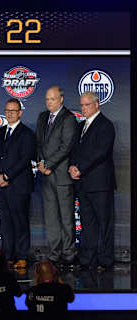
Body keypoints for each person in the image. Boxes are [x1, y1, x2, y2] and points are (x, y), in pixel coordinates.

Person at [69, 91, 116, 271]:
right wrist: (72, 166)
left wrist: (81, 168)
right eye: (81, 105)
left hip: (100, 184)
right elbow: (75, 151)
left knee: (104, 223)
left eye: (87, 105)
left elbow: (100, 152)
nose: (83, 108)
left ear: (97, 105)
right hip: (83, 184)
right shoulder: (81, 127)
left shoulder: (106, 125)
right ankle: (88, 258)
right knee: (88, 223)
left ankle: (105, 260)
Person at [0, 98, 35, 269]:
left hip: (19, 186)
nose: (9, 114)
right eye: (7, 110)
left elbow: (24, 159)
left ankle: (22, 256)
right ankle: (8, 256)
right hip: (1, 186)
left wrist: (6, 176)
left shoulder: (27, 134)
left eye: (13, 111)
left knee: (20, 221)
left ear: (20, 112)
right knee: (5, 222)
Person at [35, 86, 78, 267]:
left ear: (61, 99)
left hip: (60, 175)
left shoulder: (69, 118)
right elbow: (38, 143)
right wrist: (40, 162)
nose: (49, 102)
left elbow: (66, 146)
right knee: (51, 217)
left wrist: (49, 165)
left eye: (52, 99)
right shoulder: (42, 117)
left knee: (66, 217)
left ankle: (69, 253)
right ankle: (54, 252)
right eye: (47, 99)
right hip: (46, 175)